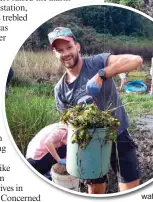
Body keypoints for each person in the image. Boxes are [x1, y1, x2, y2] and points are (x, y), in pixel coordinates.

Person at [48, 27, 143, 194]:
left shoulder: (97, 62)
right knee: (95, 189)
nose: (66, 53)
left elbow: (136, 60)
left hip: (118, 135)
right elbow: (68, 124)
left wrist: (102, 75)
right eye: (60, 50)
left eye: (69, 47)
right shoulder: (60, 90)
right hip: (88, 145)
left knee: (129, 189)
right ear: (55, 53)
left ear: (77, 47)